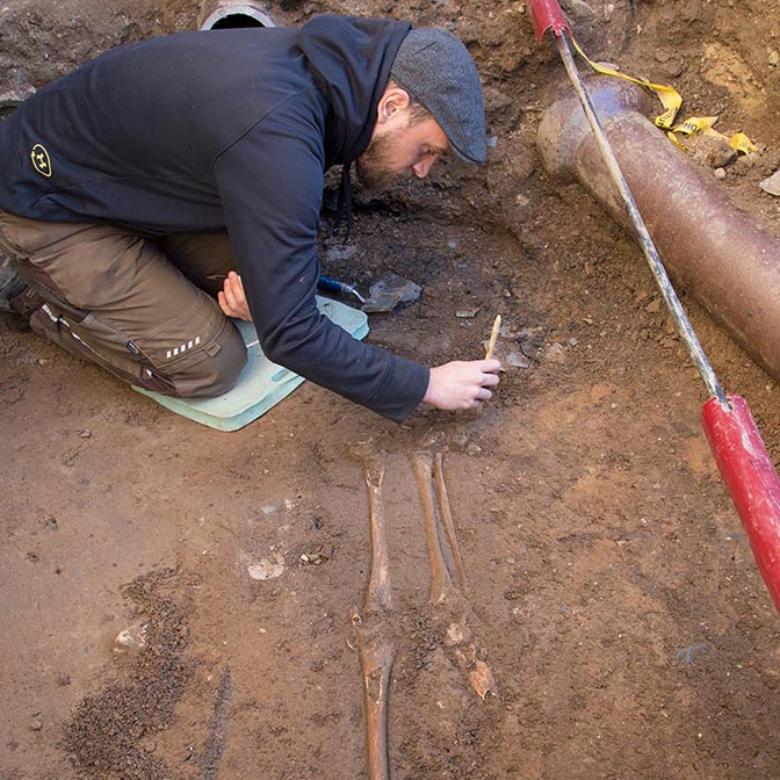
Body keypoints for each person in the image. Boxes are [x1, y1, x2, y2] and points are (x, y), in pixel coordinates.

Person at [0, 15, 501, 422]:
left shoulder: (331, 77)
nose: (421, 170)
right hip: (48, 204)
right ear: (393, 105)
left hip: (126, 183)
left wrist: (272, 297)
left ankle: (140, 276)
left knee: (271, 279)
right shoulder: (278, 136)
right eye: (426, 149)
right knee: (210, 362)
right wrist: (424, 384)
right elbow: (292, 336)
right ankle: (30, 291)